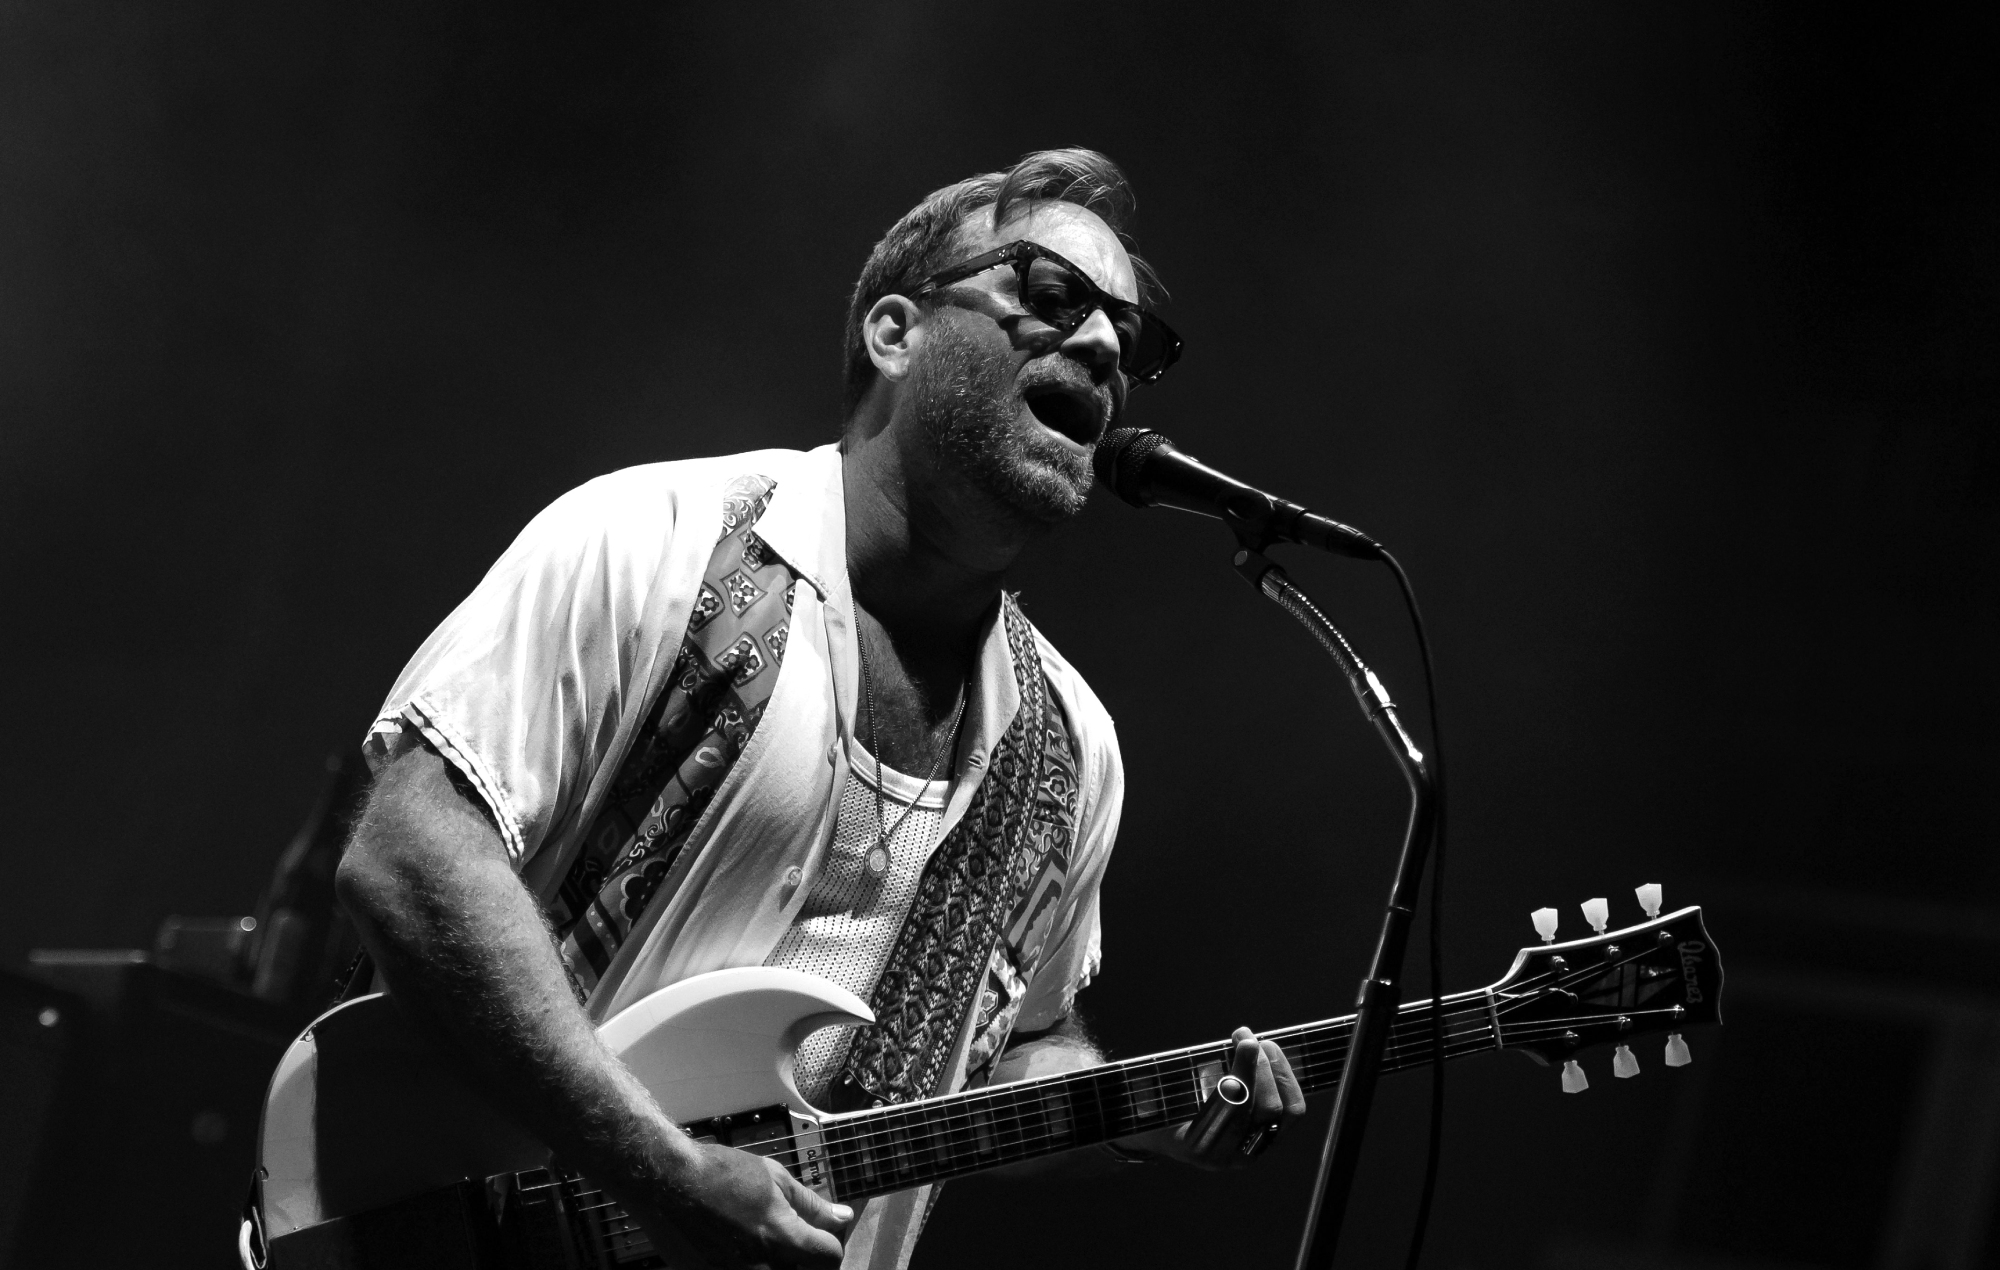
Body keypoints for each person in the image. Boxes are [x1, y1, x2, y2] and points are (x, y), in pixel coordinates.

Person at [335, 147, 1307, 1270]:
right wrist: (656, 1167)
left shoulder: (1071, 751)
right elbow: (409, 860)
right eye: (1051, 295)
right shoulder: (658, 541)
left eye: (1130, 339)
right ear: (895, 333)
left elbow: (1001, 1051)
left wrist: (1148, 1114)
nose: (1100, 347)